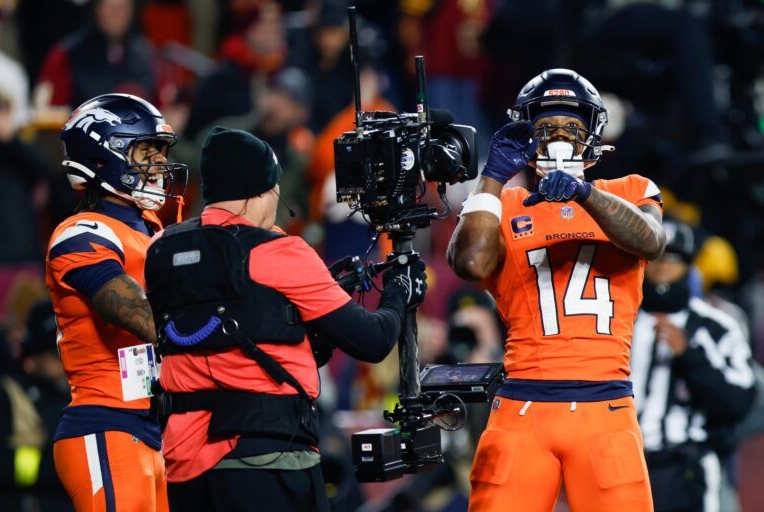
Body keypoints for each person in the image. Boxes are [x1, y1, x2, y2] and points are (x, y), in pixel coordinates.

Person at [144, 126, 427, 512]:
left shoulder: (160, 249)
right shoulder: (279, 252)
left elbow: (237, 326)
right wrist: (400, 290)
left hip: (182, 466)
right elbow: (373, 341)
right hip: (266, 461)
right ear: (263, 189)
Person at [447, 68, 667, 511]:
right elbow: (470, 262)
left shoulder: (631, 189)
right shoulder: (503, 205)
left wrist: (584, 194)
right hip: (522, 407)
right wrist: (491, 177)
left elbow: (651, 240)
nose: (559, 138)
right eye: (545, 128)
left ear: (594, 138)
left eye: (572, 128)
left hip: (606, 408)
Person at [45, 93, 187, 511]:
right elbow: (139, 316)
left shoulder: (153, 231)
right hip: (105, 422)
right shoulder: (81, 232)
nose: (159, 165)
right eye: (146, 152)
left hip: (155, 426)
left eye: (161, 152)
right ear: (105, 155)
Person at [631, 219, 756, 512]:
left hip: (685, 467)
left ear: (689, 266)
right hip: (623, 462)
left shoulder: (717, 325)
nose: (663, 267)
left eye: (674, 258)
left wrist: (690, 355)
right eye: (657, 257)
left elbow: (739, 401)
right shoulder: (619, 319)